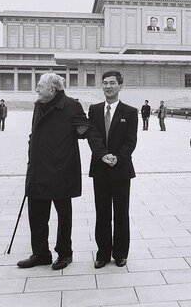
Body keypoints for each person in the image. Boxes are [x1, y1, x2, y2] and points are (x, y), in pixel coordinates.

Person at [17, 73, 108, 270]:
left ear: (53, 89)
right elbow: (35, 134)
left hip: (61, 170)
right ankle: (40, 254)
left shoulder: (71, 106)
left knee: (63, 216)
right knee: (37, 214)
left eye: (40, 86)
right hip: (38, 169)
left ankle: (65, 253)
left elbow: (88, 131)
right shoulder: (39, 105)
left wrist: (101, 154)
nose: (37, 89)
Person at [88, 71, 138, 269]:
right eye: (105, 83)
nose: (108, 86)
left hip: (121, 169)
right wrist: (102, 155)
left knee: (121, 213)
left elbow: (131, 140)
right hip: (100, 168)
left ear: (120, 86)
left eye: (112, 83)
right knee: (102, 213)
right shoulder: (94, 109)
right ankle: (102, 253)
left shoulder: (130, 112)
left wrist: (118, 157)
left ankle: (120, 253)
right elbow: (92, 136)